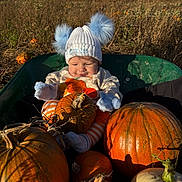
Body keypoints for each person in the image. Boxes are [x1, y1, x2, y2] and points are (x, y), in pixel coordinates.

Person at [34, 12, 123, 153]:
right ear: (68, 62)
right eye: (74, 64)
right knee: (49, 104)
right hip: (63, 114)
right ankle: (54, 131)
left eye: (87, 63)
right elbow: (52, 80)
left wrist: (109, 97)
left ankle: (86, 140)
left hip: (90, 116)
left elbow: (111, 85)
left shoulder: (101, 75)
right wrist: (49, 90)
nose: (81, 69)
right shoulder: (63, 74)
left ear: (98, 62)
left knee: (104, 116)